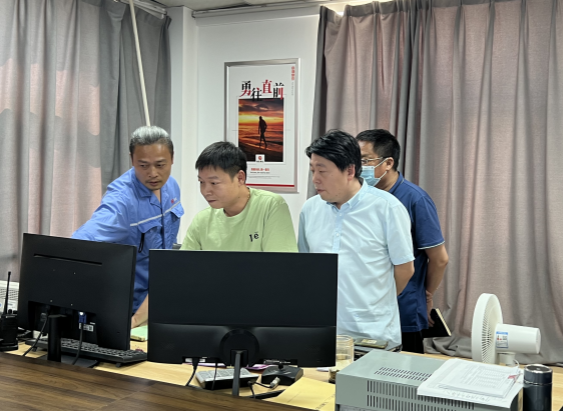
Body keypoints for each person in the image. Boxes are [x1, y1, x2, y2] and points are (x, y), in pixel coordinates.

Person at [298, 130, 414, 347]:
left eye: (322, 171)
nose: (315, 179)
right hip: (324, 330)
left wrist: (377, 302)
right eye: (313, 170)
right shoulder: (310, 209)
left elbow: (405, 269)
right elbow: (307, 266)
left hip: (373, 332)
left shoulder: (387, 208)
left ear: (350, 170)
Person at [73, 126, 182, 328]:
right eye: (143, 165)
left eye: (160, 165)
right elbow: (79, 244)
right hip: (128, 312)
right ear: (132, 159)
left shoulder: (172, 186)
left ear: (172, 158)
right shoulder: (121, 200)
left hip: (159, 302)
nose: (153, 173)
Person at [356, 129, 449, 354]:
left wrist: (426, 295)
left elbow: (439, 259)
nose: (358, 167)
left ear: (388, 163)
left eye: (365, 161)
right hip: (364, 306)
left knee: (405, 370)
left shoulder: (415, 199)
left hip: (403, 306)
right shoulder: (360, 197)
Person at [181, 141, 297, 253]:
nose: (206, 191)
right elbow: (183, 263)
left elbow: (280, 263)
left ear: (240, 178)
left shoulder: (270, 206)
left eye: (214, 183)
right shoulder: (202, 220)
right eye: (201, 182)